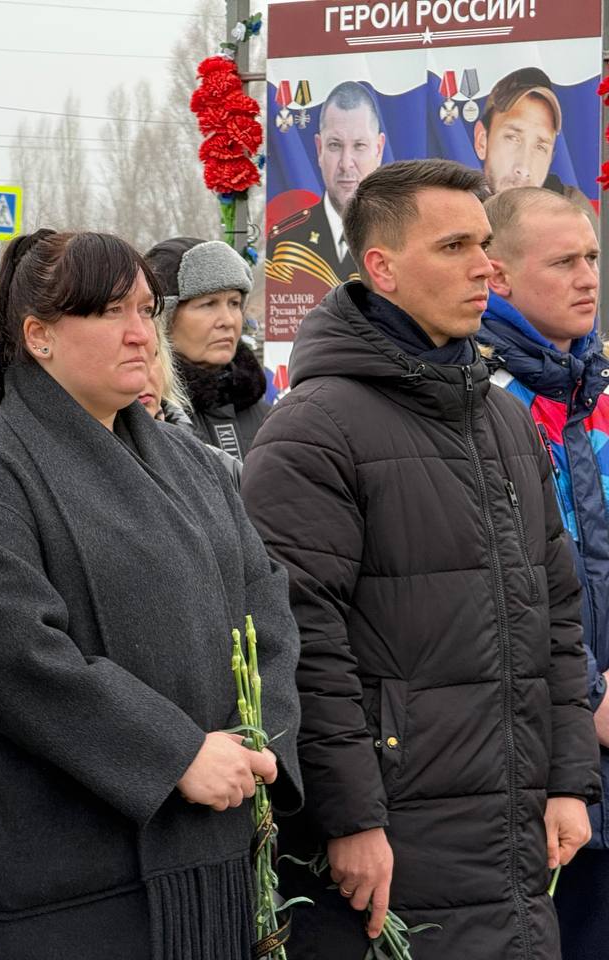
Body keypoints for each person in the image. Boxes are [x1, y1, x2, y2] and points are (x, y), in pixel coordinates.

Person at [241, 159, 601, 960]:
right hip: (393, 843)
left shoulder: (502, 423)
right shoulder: (314, 430)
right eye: (454, 247)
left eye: (484, 244)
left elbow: (556, 613)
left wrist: (569, 780)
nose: (485, 267)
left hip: (513, 836)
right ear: (382, 267)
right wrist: (349, 816)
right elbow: (300, 643)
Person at [0, 229, 302, 960]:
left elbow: (268, 606)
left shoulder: (194, 463)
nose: (140, 334)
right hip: (74, 887)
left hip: (217, 858)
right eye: (109, 312)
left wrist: (260, 741)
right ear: (39, 336)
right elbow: (16, 660)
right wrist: (176, 755)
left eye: (146, 311)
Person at [476, 186, 609, 960]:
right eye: (563, 263)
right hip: (538, 760)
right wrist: (589, 696)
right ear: (497, 274)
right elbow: (505, 582)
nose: (588, 278)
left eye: (592, 257)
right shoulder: (486, 402)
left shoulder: (596, 394)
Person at [144, 237, 268, 461]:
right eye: (208, 304)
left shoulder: (271, 418)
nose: (228, 320)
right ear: (163, 318)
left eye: (234, 303)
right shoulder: (144, 414)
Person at [267, 81, 384, 290]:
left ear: (379, 149)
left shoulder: (404, 239)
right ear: (319, 149)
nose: (346, 163)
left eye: (359, 146)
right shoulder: (284, 246)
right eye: (335, 145)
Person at [473, 67, 588, 205]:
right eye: (513, 138)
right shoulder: (456, 207)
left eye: (540, 147)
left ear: (550, 159)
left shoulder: (572, 208)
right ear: (482, 142)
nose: (523, 169)